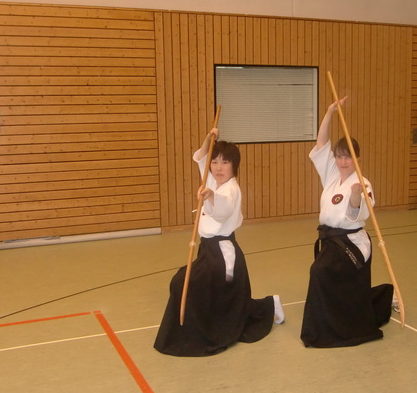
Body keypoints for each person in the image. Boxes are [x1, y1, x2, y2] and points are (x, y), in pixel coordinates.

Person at [154, 127, 285, 357]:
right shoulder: (211, 179)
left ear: (234, 166)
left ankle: (264, 308)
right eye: (215, 162)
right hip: (208, 250)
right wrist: (209, 137)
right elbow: (201, 156)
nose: (218, 167)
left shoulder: (230, 189)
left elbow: (223, 208)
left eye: (225, 163)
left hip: (223, 255)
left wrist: (211, 196)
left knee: (185, 284)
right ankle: (266, 306)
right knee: (219, 296)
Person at [300, 97, 394, 348]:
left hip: (352, 243)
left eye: (348, 157)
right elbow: (321, 143)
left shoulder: (364, 183)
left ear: (356, 158)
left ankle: (334, 327)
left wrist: (355, 196)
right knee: (323, 274)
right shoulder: (331, 174)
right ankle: (328, 321)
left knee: (319, 272)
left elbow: (357, 215)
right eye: (339, 157)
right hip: (331, 241)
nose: (343, 162)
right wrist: (330, 112)